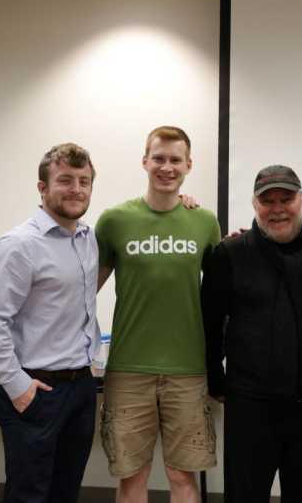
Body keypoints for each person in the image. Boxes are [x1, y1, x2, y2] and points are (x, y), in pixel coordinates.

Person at [202, 165, 302, 503]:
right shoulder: (230, 254)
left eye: (286, 199)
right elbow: (209, 322)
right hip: (251, 405)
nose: (278, 208)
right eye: (268, 201)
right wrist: (215, 379)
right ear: (254, 206)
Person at [96, 126, 220, 503]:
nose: (167, 167)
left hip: (188, 369)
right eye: (159, 159)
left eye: (175, 160)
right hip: (128, 368)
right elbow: (82, 293)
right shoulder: (114, 221)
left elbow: (220, 296)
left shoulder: (204, 222)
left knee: (182, 474)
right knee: (133, 476)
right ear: (145, 161)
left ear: (188, 165)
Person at [0, 143, 100, 503]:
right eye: (65, 180)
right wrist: (17, 386)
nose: (76, 189)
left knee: (65, 491)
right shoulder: (20, 245)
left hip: (80, 388)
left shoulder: (87, 239)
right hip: (36, 389)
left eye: (84, 181)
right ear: (42, 188)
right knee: (29, 495)